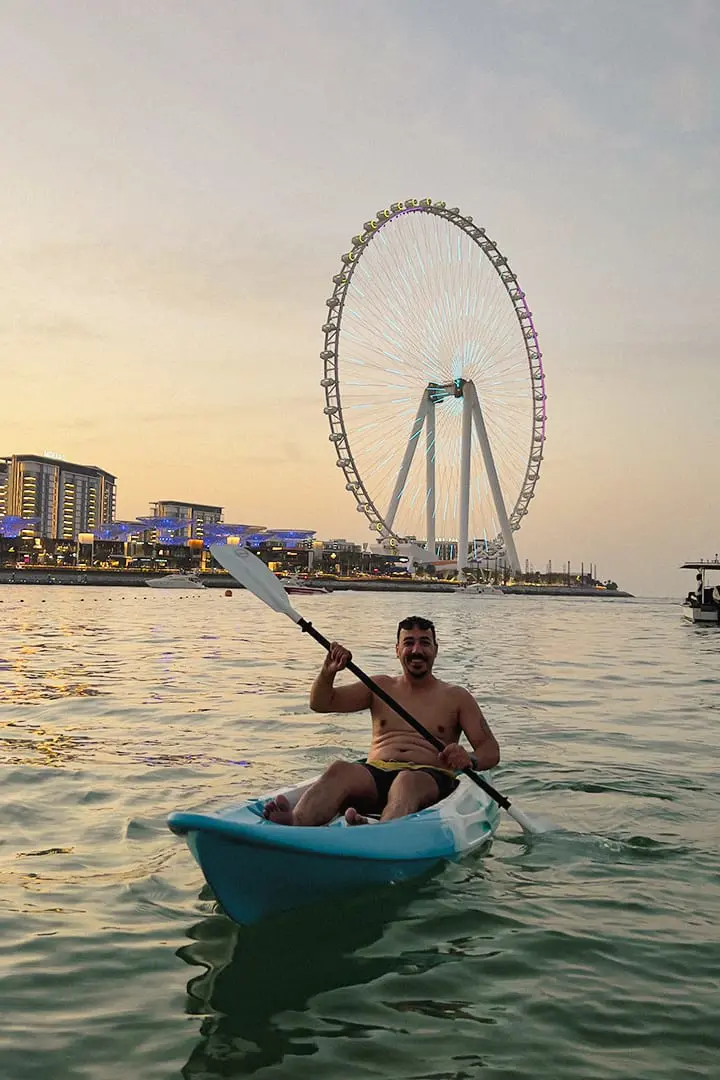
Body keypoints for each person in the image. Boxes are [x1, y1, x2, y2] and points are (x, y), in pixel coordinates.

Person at [263, 615, 500, 827]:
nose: (416, 650)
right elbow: (322, 703)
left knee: (406, 781)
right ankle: (298, 820)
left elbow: (490, 749)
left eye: (424, 643)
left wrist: (470, 759)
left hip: (427, 777)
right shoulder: (380, 687)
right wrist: (328, 671)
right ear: (397, 650)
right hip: (376, 773)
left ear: (436, 650)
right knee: (340, 770)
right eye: (409, 643)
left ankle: (382, 833)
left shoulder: (456, 697)